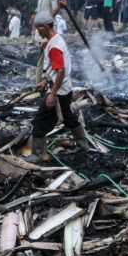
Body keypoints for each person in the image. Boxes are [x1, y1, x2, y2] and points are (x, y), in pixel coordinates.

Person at [30, 12, 87, 157]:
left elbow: (60, 71)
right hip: (65, 88)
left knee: (39, 121)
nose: (37, 32)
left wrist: (53, 93)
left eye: (38, 29)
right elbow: (55, 69)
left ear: (44, 27)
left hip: (59, 91)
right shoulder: (55, 40)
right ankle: (82, 145)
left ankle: (37, 155)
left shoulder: (54, 46)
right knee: (68, 116)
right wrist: (44, 80)